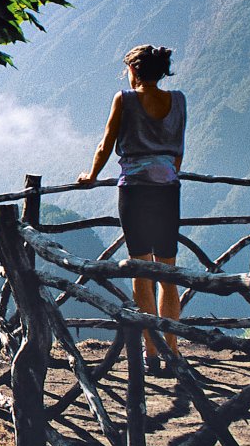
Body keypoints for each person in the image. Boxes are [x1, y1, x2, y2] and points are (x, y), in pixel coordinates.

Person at [77, 44, 185, 372]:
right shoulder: (178, 100)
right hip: (168, 189)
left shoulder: (124, 99)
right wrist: (167, 172)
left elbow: (106, 143)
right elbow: (178, 148)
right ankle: (173, 349)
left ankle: (150, 351)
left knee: (141, 271)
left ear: (134, 71)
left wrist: (91, 176)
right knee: (168, 273)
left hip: (135, 192)